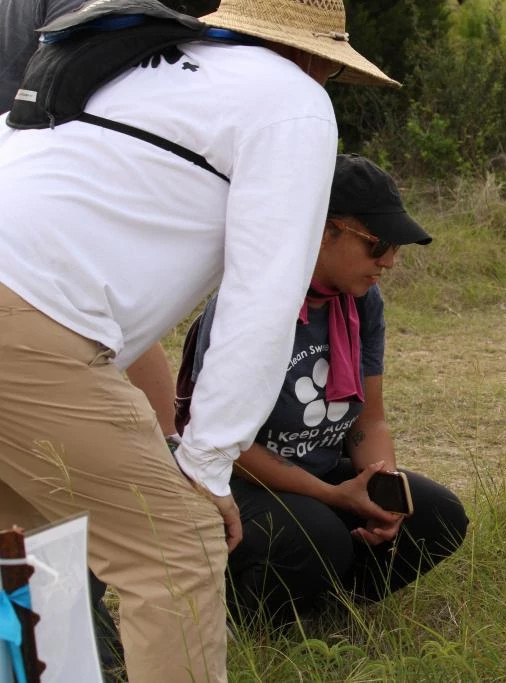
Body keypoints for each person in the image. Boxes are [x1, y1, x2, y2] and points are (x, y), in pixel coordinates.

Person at [0, 0, 397, 681]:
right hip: (28, 317)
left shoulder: (127, 61)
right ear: (323, 60)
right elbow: (265, 292)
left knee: (31, 540)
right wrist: (206, 464)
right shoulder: (293, 98)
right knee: (176, 543)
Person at [176, 154, 468, 624]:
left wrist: (381, 492)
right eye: (379, 244)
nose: (389, 262)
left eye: (396, 248)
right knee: (318, 536)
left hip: (321, 472)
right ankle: (243, 616)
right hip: (234, 480)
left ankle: (325, 610)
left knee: (437, 516)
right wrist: (335, 497)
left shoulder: (362, 301)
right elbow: (229, 444)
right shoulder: (253, 300)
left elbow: (369, 420)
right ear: (324, 229)